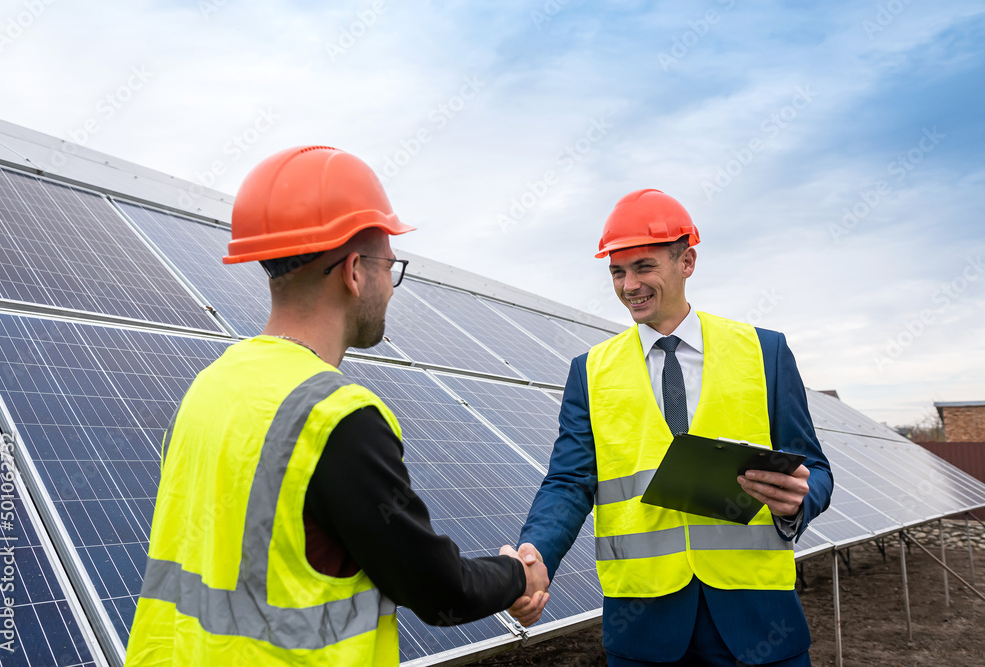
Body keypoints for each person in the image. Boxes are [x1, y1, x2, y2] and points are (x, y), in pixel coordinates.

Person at [125, 146, 549, 666]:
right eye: (391, 268)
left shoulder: (210, 386)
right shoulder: (336, 417)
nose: (391, 290)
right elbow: (438, 590)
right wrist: (517, 575)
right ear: (354, 272)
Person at [513, 189, 833, 666]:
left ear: (687, 261)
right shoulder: (590, 371)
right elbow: (569, 481)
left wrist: (797, 501)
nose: (629, 286)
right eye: (617, 272)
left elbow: (816, 469)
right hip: (643, 626)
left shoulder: (765, 353)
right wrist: (535, 559)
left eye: (644, 267)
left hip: (758, 620)